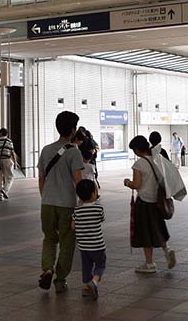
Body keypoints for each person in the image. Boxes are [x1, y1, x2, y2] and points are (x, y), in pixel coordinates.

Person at [37, 111, 84, 293]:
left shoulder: (46, 149)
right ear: (72, 130)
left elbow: (41, 179)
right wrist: (82, 203)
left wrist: (45, 197)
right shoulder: (74, 152)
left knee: (49, 238)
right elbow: (78, 180)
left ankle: (47, 269)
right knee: (67, 241)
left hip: (47, 203)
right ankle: (60, 280)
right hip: (67, 204)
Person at [124, 135, 176, 274]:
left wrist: (127, 182)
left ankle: (149, 263)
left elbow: (137, 184)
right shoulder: (156, 160)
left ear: (136, 150)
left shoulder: (139, 164)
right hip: (156, 201)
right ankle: (167, 250)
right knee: (158, 228)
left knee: (145, 233)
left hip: (144, 203)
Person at [72, 179, 106, 301]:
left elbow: (73, 226)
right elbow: (102, 219)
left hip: (83, 247)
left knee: (86, 267)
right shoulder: (98, 208)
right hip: (98, 245)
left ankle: (86, 288)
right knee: (100, 265)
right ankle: (94, 282)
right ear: (93, 194)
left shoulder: (77, 210)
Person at [0, 128, 17, 201]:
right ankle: (5, 190)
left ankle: (0, 196)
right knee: (10, 177)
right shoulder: (9, 141)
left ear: (1, 133)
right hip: (7, 160)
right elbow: (12, 152)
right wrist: (15, 163)